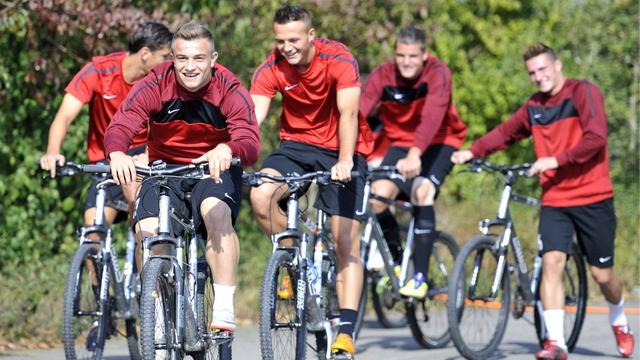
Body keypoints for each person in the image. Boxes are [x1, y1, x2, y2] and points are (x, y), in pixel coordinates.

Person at [451, 43, 634, 360]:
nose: (538, 77)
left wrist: (556, 160)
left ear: (558, 65)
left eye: (543, 69)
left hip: (593, 196)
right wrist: (472, 151)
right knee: (551, 263)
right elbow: (505, 133)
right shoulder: (534, 106)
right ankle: (556, 343)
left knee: (603, 275)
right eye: (532, 73)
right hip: (556, 199)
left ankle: (619, 318)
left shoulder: (582, 93)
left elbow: (597, 137)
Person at [104, 21, 260, 332]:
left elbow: (251, 142)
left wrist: (228, 149)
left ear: (213, 59)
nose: (190, 67)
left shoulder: (228, 87)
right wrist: (118, 153)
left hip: (212, 169)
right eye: (182, 59)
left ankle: (224, 307)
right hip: (166, 170)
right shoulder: (155, 84)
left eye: (198, 58)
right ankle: (159, 308)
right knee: (147, 229)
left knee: (214, 214)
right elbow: (121, 124)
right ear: (172, 59)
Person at [249, 4, 372, 357]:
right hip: (296, 147)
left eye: (293, 39)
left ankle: (346, 330)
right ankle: (290, 259)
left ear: (311, 36)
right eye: (280, 40)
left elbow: (348, 112)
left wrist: (346, 160)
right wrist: (232, 151)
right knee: (261, 195)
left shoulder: (338, 59)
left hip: (342, 149)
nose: (286, 46)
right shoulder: (272, 66)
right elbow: (253, 118)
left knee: (344, 240)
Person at [359, 26, 467, 299]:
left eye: (412, 56)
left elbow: (432, 117)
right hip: (400, 143)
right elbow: (358, 111)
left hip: (440, 141)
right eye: (401, 56)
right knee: (376, 199)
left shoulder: (439, 74)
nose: (406, 62)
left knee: (421, 191)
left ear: (425, 55)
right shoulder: (384, 74)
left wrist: (416, 154)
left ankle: (420, 276)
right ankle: (395, 262)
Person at [40, 21, 172, 228]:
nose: (169, 63)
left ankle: (141, 241)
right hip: (105, 160)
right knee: (93, 234)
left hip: (142, 157)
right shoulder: (99, 71)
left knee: (144, 227)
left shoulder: (162, 81)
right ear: (145, 54)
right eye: (165, 57)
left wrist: (148, 154)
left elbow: (168, 125)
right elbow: (64, 116)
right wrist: (53, 151)